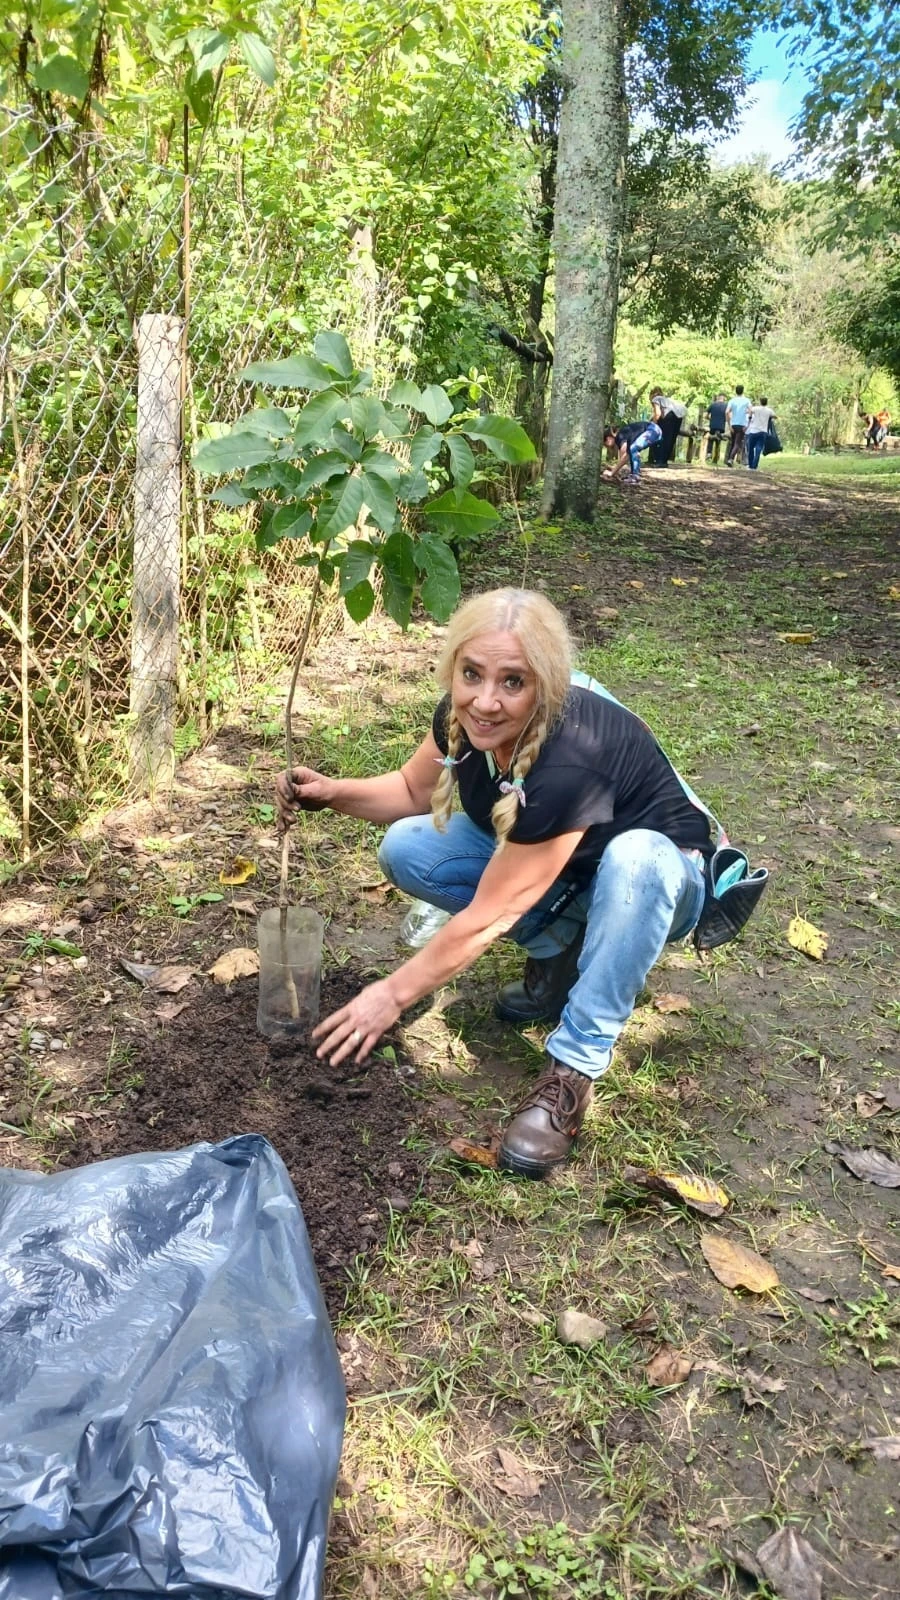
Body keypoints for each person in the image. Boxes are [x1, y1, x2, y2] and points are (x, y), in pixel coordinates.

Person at [275, 589, 714, 1181]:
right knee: (409, 846)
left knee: (635, 859)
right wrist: (333, 792)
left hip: (659, 879)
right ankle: (558, 952)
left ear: (546, 685)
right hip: (562, 870)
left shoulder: (570, 755)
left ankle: (572, 1070)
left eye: (513, 682)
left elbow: (489, 915)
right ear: (452, 666)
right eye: (472, 674)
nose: (485, 701)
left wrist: (391, 995)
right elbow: (409, 792)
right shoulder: (461, 719)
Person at [601, 418, 663, 484]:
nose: (606, 447)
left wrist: (612, 472)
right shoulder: (622, 436)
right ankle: (634, 474)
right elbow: (625, 457)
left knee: (633, 448)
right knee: (632, 450)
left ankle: (635, 477)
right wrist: (616, 470)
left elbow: (625, 457)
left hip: (652, 430)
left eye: (605, 444)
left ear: (608, 439)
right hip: (654, 430)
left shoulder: (619, 436)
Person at [648, 389, 686, 465]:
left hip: (670, 416)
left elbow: (658, 414)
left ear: (651, 395)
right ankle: (664, 461)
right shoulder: (667, 400)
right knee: (671, 439)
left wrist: (653, 426)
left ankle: (660, 461)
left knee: (663, 438)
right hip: (679, 415)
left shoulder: (656, 399)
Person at [745, 395, 776, 470]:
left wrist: (750, 416)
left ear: (760, 402)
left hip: (754, 431)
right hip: (763, 432)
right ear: (766, 402)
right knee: (758, 449)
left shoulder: (756, 408)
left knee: (751, 448)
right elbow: (775, 416)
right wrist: (769, 417)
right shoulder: (769, 410)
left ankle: (750, 465)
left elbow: (749, 411)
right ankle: (755, 465)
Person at [725, 385, 751, 466]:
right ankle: (731, 459)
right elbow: (751, 410)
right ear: (743, 391)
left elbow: (727, 412)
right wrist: (748, 424)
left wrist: (729, 425)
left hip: (733, 424)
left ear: (735, 391)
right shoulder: (746, 400)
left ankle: (729, 459)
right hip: (742, 424)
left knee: (733, 442)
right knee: (737, 443)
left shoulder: (732, 400)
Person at [705, 394, 728, 465]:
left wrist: (710, 418)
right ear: (724, 398)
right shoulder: (726, 406)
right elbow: (728, 417)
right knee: (718, 441)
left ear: (718, 398)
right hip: (721, 426)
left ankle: (709, 453)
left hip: (713, 425)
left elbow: (705, 415)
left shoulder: (712, 405)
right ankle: (716, 457)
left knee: (710, 439)